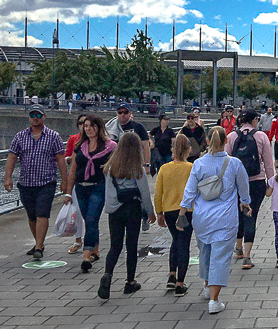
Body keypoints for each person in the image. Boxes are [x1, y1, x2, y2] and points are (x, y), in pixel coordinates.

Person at [181, 126, 251, 314]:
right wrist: (246, 202)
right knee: (220, 256)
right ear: (226, 140)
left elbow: (190, 189)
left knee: (205, 251)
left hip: (202, 216)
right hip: (225, 217)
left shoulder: (199, 163)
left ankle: (206, 286)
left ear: (207, 140)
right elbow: (243, 187)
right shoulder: (234, 163)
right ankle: (214, 299)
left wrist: (183, 209)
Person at [4, 103, 68, 260]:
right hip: (26, 182)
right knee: (32, 215)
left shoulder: (54, 136)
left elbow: (60, 159)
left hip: (46, 181)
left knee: (42, 213)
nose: (35, 118)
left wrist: (64, 181)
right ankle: (38, 242)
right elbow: (12, 157)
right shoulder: (20, 136)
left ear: (44, 117)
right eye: (32, 115)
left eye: (39, 115)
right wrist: (8, 177)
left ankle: (39, 247)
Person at [98, 132, 155, 300]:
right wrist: (150, 212)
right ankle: (130, 282)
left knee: (115, 246)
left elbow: (109, 193)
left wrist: (111, 208)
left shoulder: (110, 167)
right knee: (131, 245)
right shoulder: (137, 169)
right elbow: (145, 193)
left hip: (116, 211)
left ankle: (108, 274)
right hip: (133, 209)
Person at [65, 114, 116, 273]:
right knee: (88, 219)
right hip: (81, 187)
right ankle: (96, 250)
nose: (88, 129)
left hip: (98, 186)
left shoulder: (110, 146)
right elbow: (73, 169)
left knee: (92, 218)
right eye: (85, 126)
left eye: (91, 126)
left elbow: (114, 168)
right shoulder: (80, 145)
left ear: (99, 127)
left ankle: (86, 255)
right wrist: (68, 192)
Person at [226, 110, 274, 270]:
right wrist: (271, 183)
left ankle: (238, 248)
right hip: (256, 181)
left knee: (238, 215)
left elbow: (226, 161)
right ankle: (247, 257)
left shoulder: (232, 137)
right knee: (251, 215)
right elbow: (268, 162)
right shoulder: (261, 137)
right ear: (254, 120)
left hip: (236, 183)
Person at [154, 133, 194, 295]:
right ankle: (180, 282)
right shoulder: (191, 168)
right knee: (184, 244)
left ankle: (172, 273)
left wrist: (159, 212)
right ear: (188, 150)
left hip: (169, 210)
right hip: (187, 212)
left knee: (175, 240)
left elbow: (157, 193)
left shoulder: (164, 168)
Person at [62, 114, 87, 253]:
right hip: (77, 178)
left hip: (90, 180)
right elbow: (67, 158)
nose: (84, 126)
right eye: (81, 123)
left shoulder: (96, 140)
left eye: (86, 123)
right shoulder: (74, 139)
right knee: (76, 211)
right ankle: (78, 239)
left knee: (89, 213)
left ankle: (91, 242)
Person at [105, 103, 151, 169]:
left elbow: (146, 147)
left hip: (134, 163)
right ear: (116, 113)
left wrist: (147, 164)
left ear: (130, 113)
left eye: (125, 112)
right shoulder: (109, 127)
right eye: (120, 112)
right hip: (114, 163)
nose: (122, 115)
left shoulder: (138, 126)